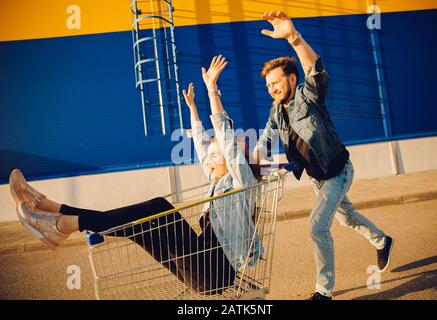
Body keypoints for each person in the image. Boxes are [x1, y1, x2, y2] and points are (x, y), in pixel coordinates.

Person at [10, 55, 262, 295]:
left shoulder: (243, 184)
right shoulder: (217, 183)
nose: (212, 153)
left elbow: (226, 140)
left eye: (223, 152)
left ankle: (59, 219)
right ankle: (58, 215)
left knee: (158, 207)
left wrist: (212, 90)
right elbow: (201, 143)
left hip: (212, 272)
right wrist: (193, 107)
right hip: (201, 267)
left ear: (235, 162)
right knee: (137, 225)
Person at [254, 11, 394, 300]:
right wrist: (253, 161)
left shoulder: (308, 95)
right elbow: (266, 139)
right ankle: (382, 241)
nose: (272, 89)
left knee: (317, 226)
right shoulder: (275, 111)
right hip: (319, 180)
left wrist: (293, 37)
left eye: (276, 83)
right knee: (347, 218)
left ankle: (323, 291)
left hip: (338, 172)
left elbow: (315, 69)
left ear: (292, 79)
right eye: (268, 86)